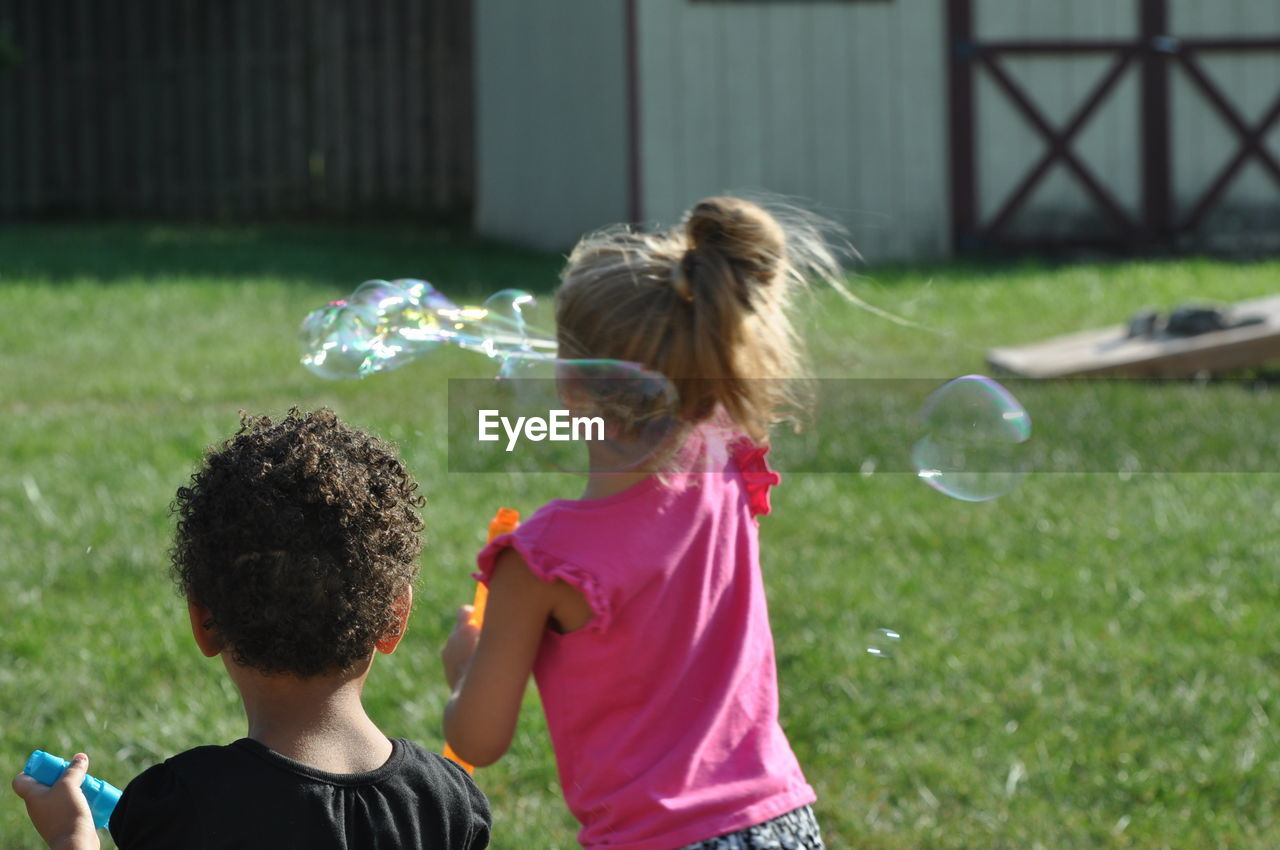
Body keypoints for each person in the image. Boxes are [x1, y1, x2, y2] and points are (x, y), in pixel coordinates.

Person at [441, 197, 840, 849]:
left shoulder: (542, 558)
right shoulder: (726, 461)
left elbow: (477, 739)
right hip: (779, 825)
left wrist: (464, 666)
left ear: (570, 391)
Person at [13, 408, 490, 850]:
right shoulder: (449, 803)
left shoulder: (180, 806)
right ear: (395, 618)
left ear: (205, 623)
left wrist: (72, 835)